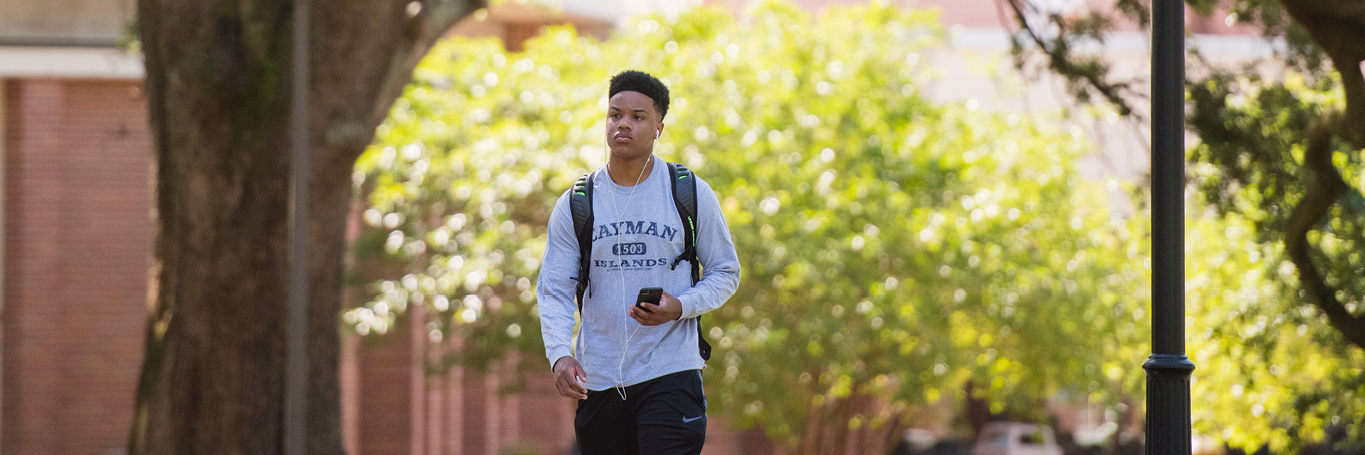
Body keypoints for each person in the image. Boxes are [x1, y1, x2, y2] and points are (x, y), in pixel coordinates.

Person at [536, 70, 741, 455]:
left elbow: (726, 271)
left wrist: (680, 306)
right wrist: (559, 353)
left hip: (671, 372)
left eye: (637, 116)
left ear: (658, 127)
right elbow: (554, 290)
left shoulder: (689, 191)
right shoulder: (578, 202)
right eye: (615, 115)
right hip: (599, 378)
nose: (623, 124)